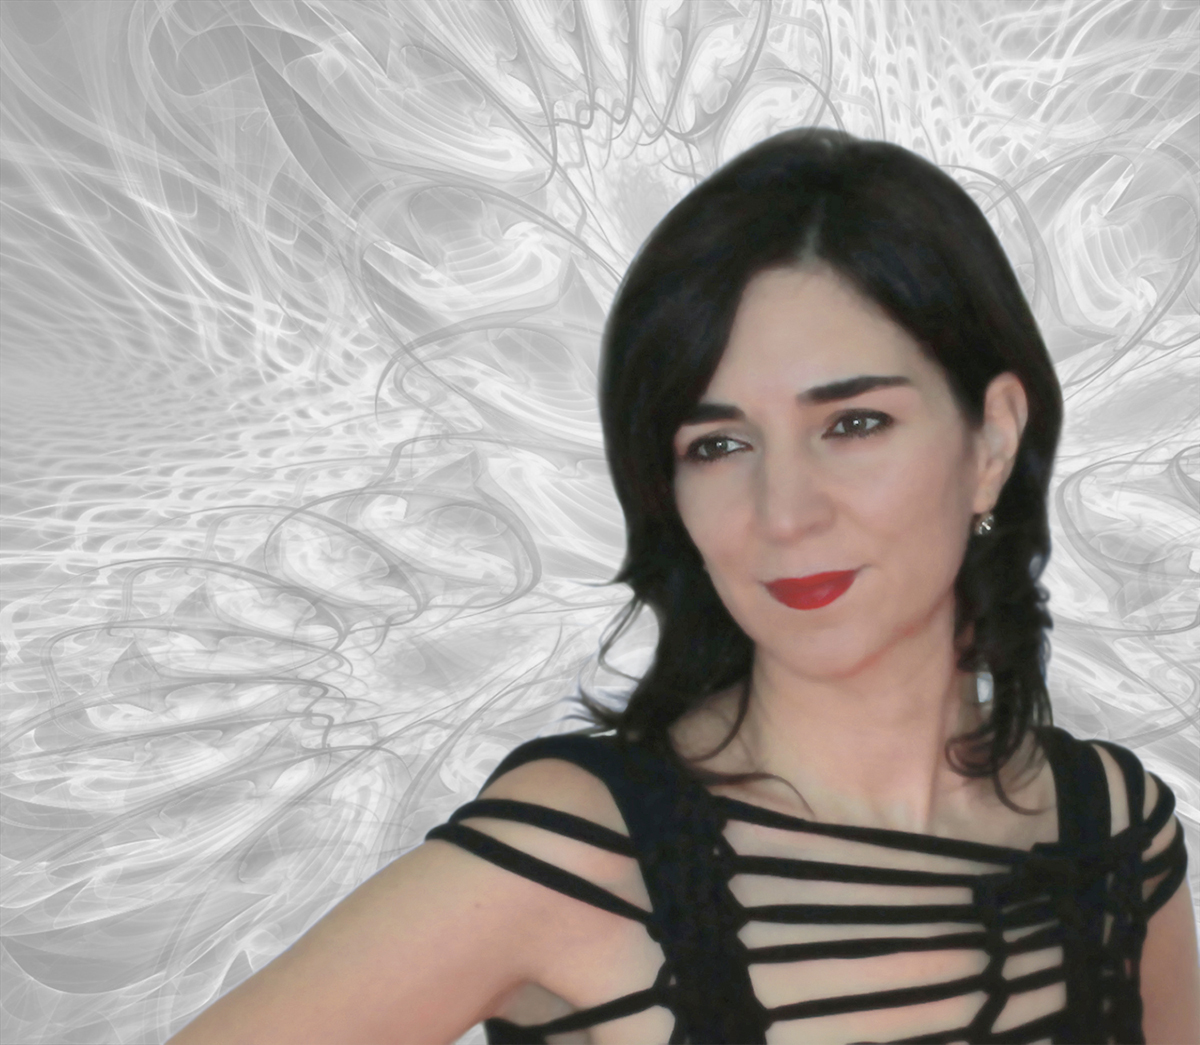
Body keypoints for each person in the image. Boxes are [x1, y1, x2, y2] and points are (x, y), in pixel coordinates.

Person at [166, 129, 1198, 1045]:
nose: (784, 511)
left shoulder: (1113, 827)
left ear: (993, 440)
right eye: (718, 444)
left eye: (853, 423)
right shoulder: (582, 850)